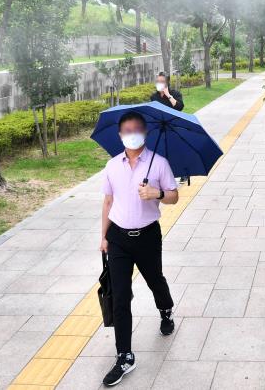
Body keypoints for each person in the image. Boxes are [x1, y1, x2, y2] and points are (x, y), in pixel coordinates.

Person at [100, 112, 179, 386]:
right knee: (120, 296)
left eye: (136, 129)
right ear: (120, 135)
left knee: (154, 280)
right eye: (126, 130)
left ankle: (166, 309)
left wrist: (155, 193)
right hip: (118, 238)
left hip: (147, 236)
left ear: (145, 133)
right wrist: (104, 236)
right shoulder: (112, 166)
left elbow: (174, 196)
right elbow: (108, 201)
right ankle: (124, 356)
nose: (131, 133)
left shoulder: (159, 163)